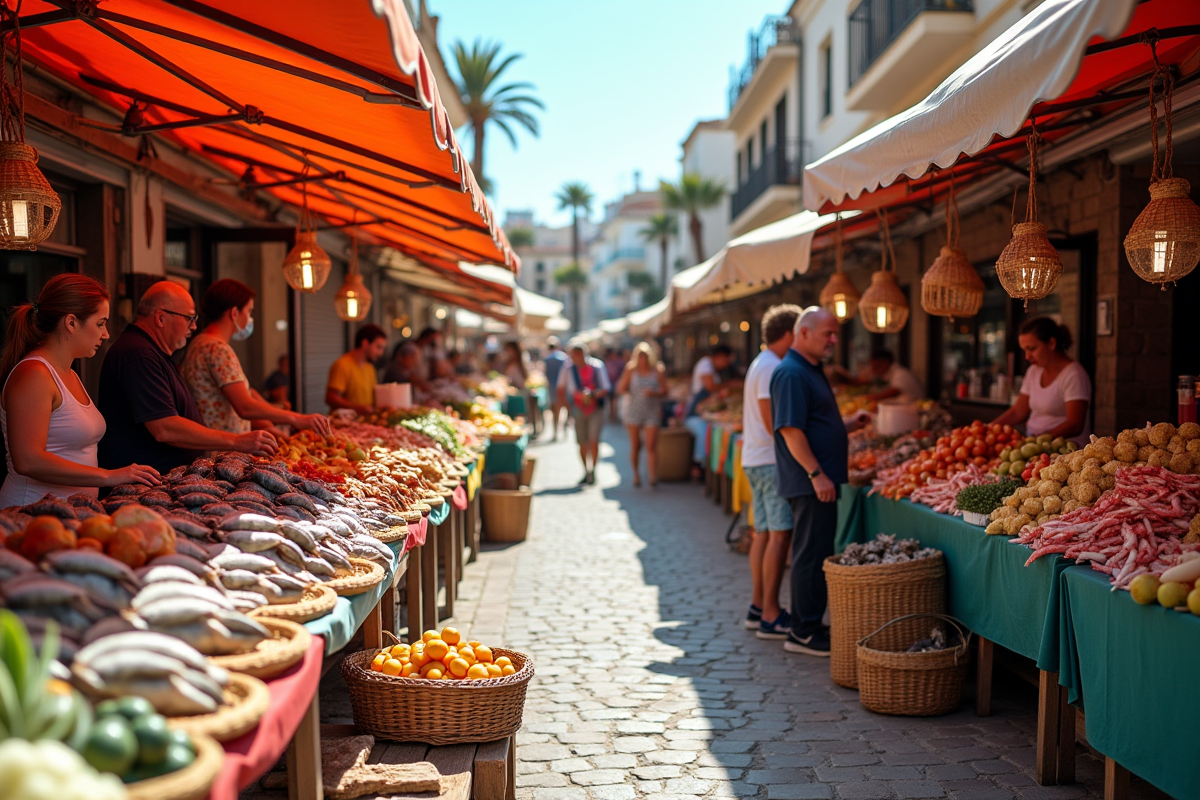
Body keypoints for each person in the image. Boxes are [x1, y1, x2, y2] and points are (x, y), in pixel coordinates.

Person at [0, 275, 160, 506]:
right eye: (100, 323)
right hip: (30, 513)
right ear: (71, 322)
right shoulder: (34, 374)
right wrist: (109, 475)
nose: (105, 334)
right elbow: (27, 460)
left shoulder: (69, 373)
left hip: (70, 513)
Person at [770, 307, 870, 656]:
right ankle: (803, 630)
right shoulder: (791, 373)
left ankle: (808, 621)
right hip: (809, 481)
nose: (833, 340)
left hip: (818, 479)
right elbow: (791, 431)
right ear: (803, 333)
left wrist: (847, 426)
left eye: (835, 334)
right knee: (810, 555)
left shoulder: (809, 370)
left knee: (816, 550)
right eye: (827, 334)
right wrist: (816, 474)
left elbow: (813, 423)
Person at [98, 280, 277, 474]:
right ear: (160, 318)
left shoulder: (154, 352)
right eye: (189, 318)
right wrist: (236, 440)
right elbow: (164, 427)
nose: (194, 327)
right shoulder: (138, 354)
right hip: (146, 487)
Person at [182, 279, 331, 437]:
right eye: (249, 311)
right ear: (234, 313)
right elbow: (245, 406)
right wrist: (296, 418)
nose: (250, 318)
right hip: (224, 451)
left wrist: (273, 413)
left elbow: (244, 393)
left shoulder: (198, 343)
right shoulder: (218, 349)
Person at [740, 304, 802, 639]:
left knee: (765, 533)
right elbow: (772, 423)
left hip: (757, 459)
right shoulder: (770, 367)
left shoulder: (761, 363)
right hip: (769, 461)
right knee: (778, 535)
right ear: (791, 333)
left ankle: (758, 606)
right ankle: (771, 614)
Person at [991, 317, 1091, 446]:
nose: (1027, 357)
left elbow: (1075, 424)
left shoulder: (1074, 375)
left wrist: (1038, 440)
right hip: (1033, 446)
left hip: (1064, 451)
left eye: (1032, 349)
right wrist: (989, 427)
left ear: (1051, 344)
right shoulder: (1033, 371)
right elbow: (1018, 412)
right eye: (1024, 350)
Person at [557, 342, 611, 485]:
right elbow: (561, 388)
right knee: (582, 442)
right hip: (578, 409)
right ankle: (585, 470)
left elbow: (605, 387)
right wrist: (567, 407)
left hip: (596, 409)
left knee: (593, 440)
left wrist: (592, 394)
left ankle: (592, 471)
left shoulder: (597, 366)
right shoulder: (568, 369)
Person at [616, 341, 668, 488]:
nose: (643, 360)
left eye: (645, 356)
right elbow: (620, 388)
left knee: (651, 446)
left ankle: (652, 477)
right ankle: (636, 475)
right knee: (636, 446)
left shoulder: (657, 370)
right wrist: (631, 392)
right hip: (634, 411)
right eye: (640, 356)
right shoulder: (631, 370)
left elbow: (665, 391)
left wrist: (654, 393)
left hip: (651, 411)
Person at [683, 345, 734, 473]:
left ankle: (704, 465)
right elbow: (710, 386)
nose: (727, 364)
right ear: (721, 356)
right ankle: (699, 465)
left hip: (701, 413)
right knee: (704, 430)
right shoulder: (706, 365)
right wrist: (730, 385)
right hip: (695, 415)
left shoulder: (709, 366)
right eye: (727, 360)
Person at [326, 324, 387, 415]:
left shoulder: (369, 368)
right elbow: (331, 398)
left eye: (383, 349)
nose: (380, 353)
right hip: (344, 424)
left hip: (365, 424)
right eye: (378, 347)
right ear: (365, 343)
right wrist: (358, 409)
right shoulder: (342, 365)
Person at [542, 336, 569, 441]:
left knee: (555, 411)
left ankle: (555, 431)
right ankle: (564, 429)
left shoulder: (547, 359)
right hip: (564, 387)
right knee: (565, 408)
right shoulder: (564, 358)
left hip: (552, 388)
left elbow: (545, 374)